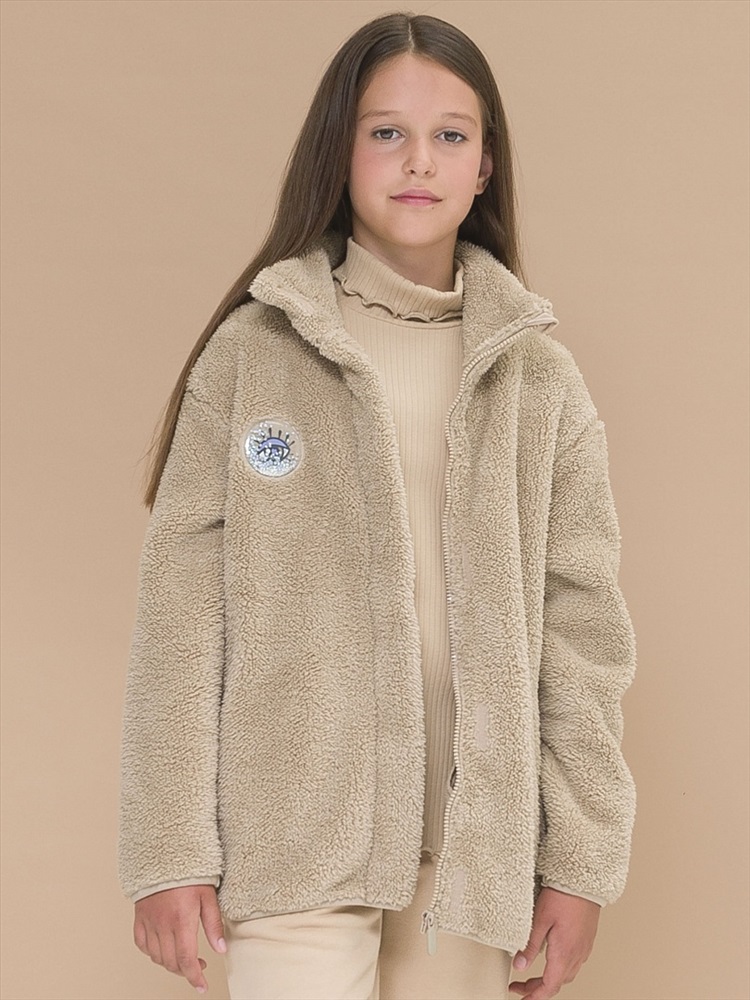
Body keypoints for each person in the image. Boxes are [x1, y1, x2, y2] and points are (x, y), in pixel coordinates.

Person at [118, 12, 637, 1000]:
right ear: (340, 150)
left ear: (485, 164)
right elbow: (181, 619)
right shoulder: (254, 356)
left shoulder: (540, 382)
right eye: (386, 131)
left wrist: (580, 861)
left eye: (451, 134)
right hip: (296, 834)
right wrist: (166, 848)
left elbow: (583, 636)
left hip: (475, 853)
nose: (419, 161)